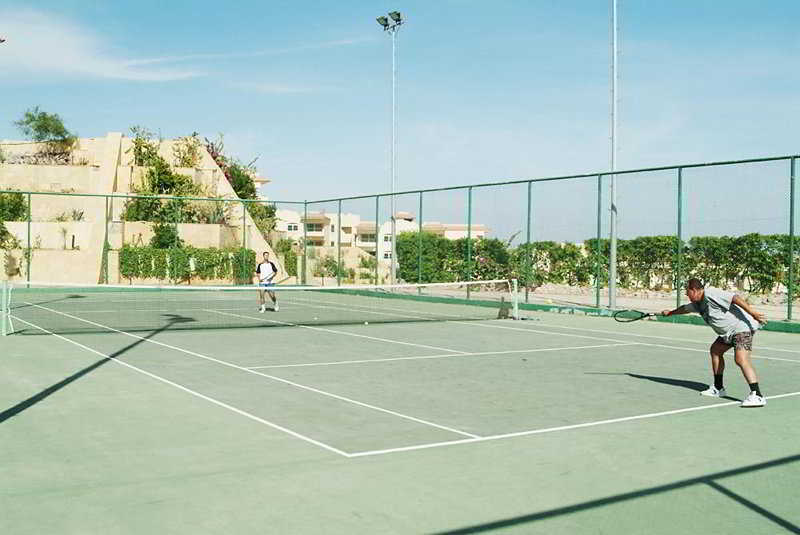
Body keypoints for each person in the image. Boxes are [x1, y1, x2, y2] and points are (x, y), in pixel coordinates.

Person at [661, 278, 767, 407]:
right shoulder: (697, 303)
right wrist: (670, 313)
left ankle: (757, 395)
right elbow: (685, 309)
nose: (686, 295)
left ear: (694, 290)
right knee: (715, 351)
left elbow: (734, 298)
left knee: (741, 359)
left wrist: (753, 312)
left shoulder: (711, 293)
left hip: (740, 329)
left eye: (687, 292)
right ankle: (718, 388)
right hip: (727, 333)